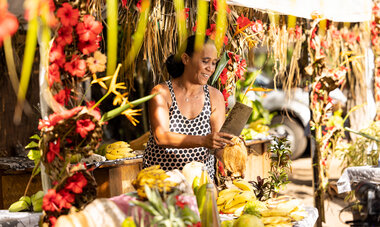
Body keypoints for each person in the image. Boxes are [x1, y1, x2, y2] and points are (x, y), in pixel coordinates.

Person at [143, 35, 234, 179]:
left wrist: (232, 150)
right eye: (205, 61)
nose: (210, 68)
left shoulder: (215, 97)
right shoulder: (162, 93)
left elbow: (217, 148)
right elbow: (161, 137)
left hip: (200, 182)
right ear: (186, 59)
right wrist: (204, 140)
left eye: (214, 63)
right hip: (162, 180)